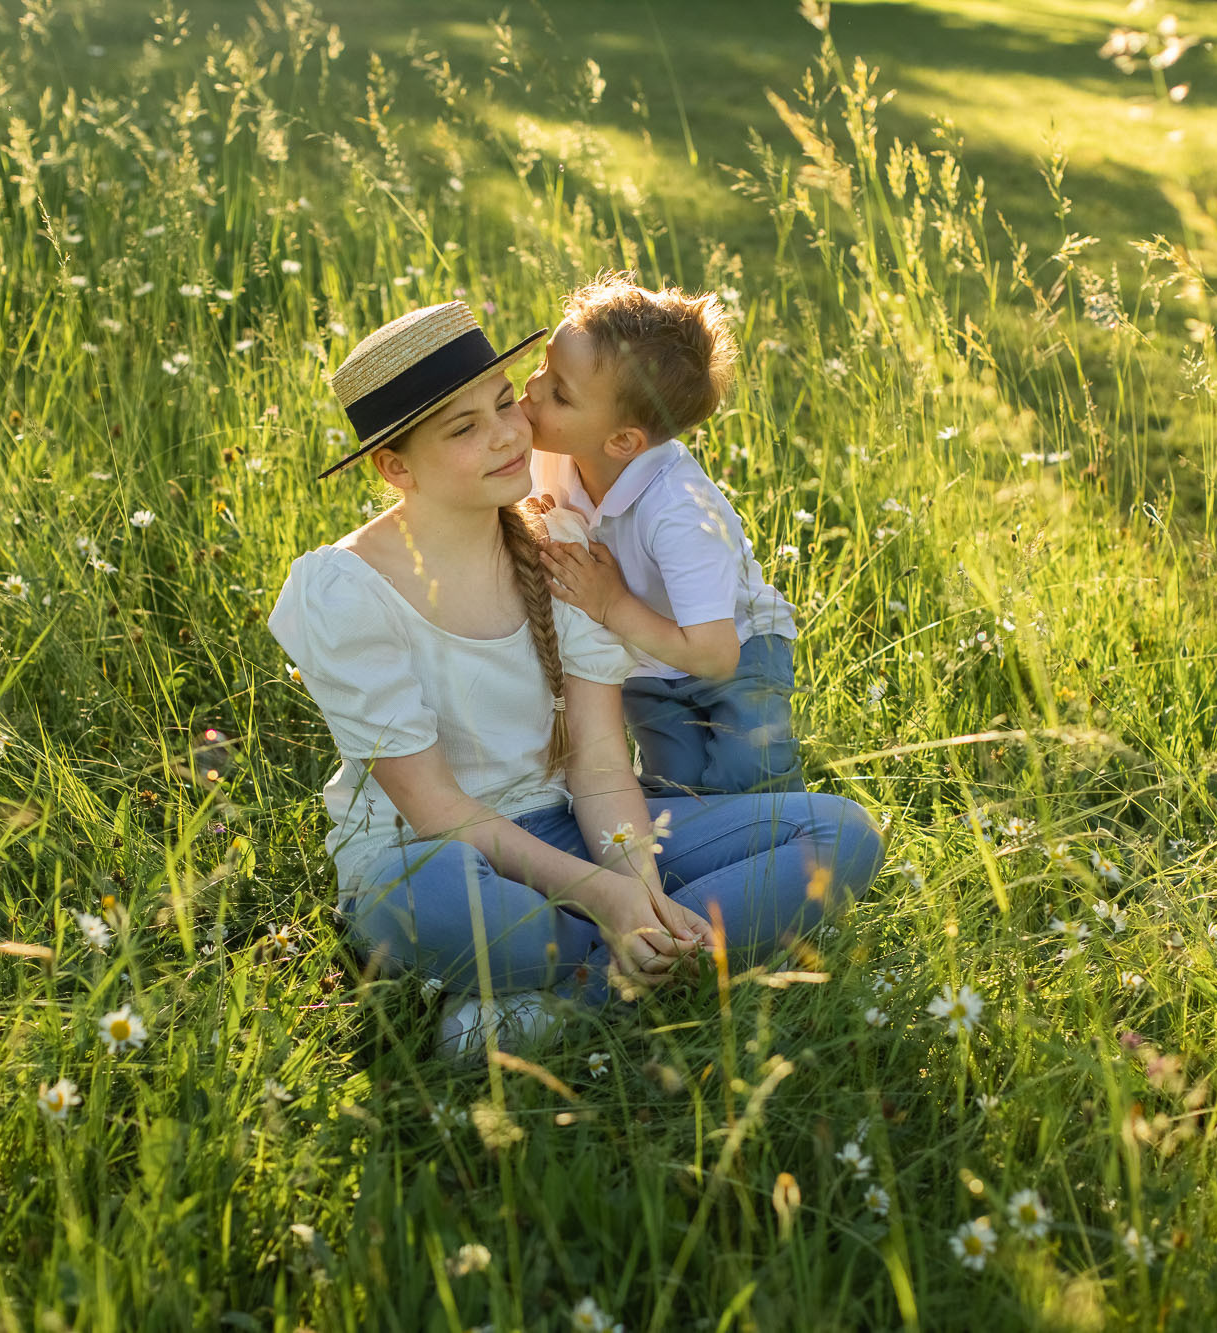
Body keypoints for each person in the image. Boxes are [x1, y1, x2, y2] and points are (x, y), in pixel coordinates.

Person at [266, 300, 885, 1062]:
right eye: (463, 428)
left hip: (572, 824)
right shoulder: (344, 590)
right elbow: (435, 809)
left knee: (840, 834)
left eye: (504, 403)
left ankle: (569, 993)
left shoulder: (560, 541)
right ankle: (635, 962)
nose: (504, 433)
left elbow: (597, 759)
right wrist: (608, 897)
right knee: (420, 896)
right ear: (395, 466)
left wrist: (639, 885)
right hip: (433, 852)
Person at [522, 272, 805, 797]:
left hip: (738, 651)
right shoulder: (552, 456)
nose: (532, 388)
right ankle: (691, 866)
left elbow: (714, 654)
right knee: (678, 789)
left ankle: (790, 847)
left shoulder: (677, 510)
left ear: (623, 441)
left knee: (749, 775)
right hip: (649, 663)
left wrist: (610, 606)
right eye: (543, 365)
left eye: (559, 393)